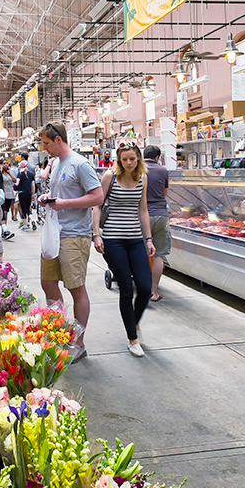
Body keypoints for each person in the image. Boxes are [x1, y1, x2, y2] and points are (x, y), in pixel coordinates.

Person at [38, 121, 104, 360]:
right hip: (54, 232)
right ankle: (58, 333)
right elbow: (62, 194)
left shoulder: (80, 164)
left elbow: (97, 196)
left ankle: (79, 343)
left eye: (46, 143)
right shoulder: (56, 164)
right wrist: (49, 198)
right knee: (48, 283)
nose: (44, 148)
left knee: (76, 288)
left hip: (75, 234)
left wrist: (64, 204)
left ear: (58, 140)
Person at [92, 143, 155, 358]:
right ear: (119, 160)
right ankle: (132, 338)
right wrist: (96, 234)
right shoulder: (110, 177)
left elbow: (143, 209)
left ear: (138, 158)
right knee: (126, 288)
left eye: (132, 159)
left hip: (136, 238)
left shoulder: (143, 178)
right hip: (113, 239)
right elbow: (97, 205)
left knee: (145, 287)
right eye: (124, 159)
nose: (129, 163)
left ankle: (133, 321)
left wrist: (148, 239)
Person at [142, 145, 171, 301]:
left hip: (141, 216)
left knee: (139, 252)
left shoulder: (137, 170)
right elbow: (165, 193)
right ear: (157, 157)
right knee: (158, 254)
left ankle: (142, 288)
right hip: (160, 215)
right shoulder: (163, 170)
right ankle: (154, 292)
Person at [15, 160, 35, 230]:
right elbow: (33, 185)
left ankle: (25, 225)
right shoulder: (31, 174)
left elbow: (17, 183)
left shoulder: (19, 174)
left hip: (21, 193)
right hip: (29, 193)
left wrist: (15, 186)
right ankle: (32, 220)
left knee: (23, 209)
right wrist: (33, 194)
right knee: (28, 208)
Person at [0, 161, 16, 240]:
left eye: (7, 163)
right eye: (4, 163)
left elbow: (15, 180)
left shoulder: (10, 173)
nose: (6, 165)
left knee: (6, 212)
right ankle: (4, 230)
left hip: (10, 194)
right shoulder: (0, 174)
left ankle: (4, 230)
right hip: (3, 194)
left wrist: (9, 173)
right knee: (4, 212)